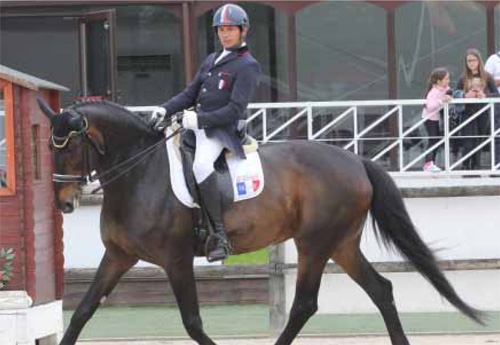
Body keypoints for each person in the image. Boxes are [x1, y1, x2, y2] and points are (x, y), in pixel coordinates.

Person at [149, 4, 261, 261]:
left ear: (242, 31)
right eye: (221, 29)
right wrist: (164, 109)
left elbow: (235, 110)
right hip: (194, 126)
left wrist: (198, 120)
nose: (225, 34)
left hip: (220, 131)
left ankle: (219, 236)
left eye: (230, 29)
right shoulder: (211, 60)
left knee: (201, 166)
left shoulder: (247, 65)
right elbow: (190, 94)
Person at [456, 48, 498, 171]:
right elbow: (455, 93)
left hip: (483, 112)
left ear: (479, 61)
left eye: (474, 60)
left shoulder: (487, 76)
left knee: (479, 141)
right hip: (467, 112)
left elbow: (496, 95)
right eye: (469, 61)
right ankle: (465, 166)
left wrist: (485, 96)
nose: (472, 63)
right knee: (468, 141)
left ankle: (475, 167)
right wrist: (465, 95)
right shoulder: (463, 77)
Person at [421, 67, 452, 172]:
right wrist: (441, 100)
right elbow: (429, 106)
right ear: (439, 81)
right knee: (433, 140)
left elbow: (448, 93)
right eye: (446, 79)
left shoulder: (444, 89)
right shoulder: (434, 91)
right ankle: (428, 163)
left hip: (435, 118)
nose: (448, 81)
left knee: (436, 140)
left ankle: (431, 163)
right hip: (429, 118)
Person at [484, 47, 500, 168]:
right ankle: (497, 166)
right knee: (497, 133)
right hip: (497, 101)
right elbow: (485, 82)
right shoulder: (493, 59)